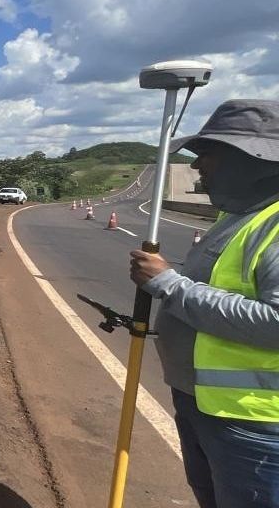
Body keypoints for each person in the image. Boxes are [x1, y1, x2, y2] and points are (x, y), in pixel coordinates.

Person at [129, 98, 279, 507]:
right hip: (207, 404)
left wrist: (168, 285)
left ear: (254, 160)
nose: (197, 167)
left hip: (253, 421)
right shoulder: (240, 216)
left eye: (208, 155)